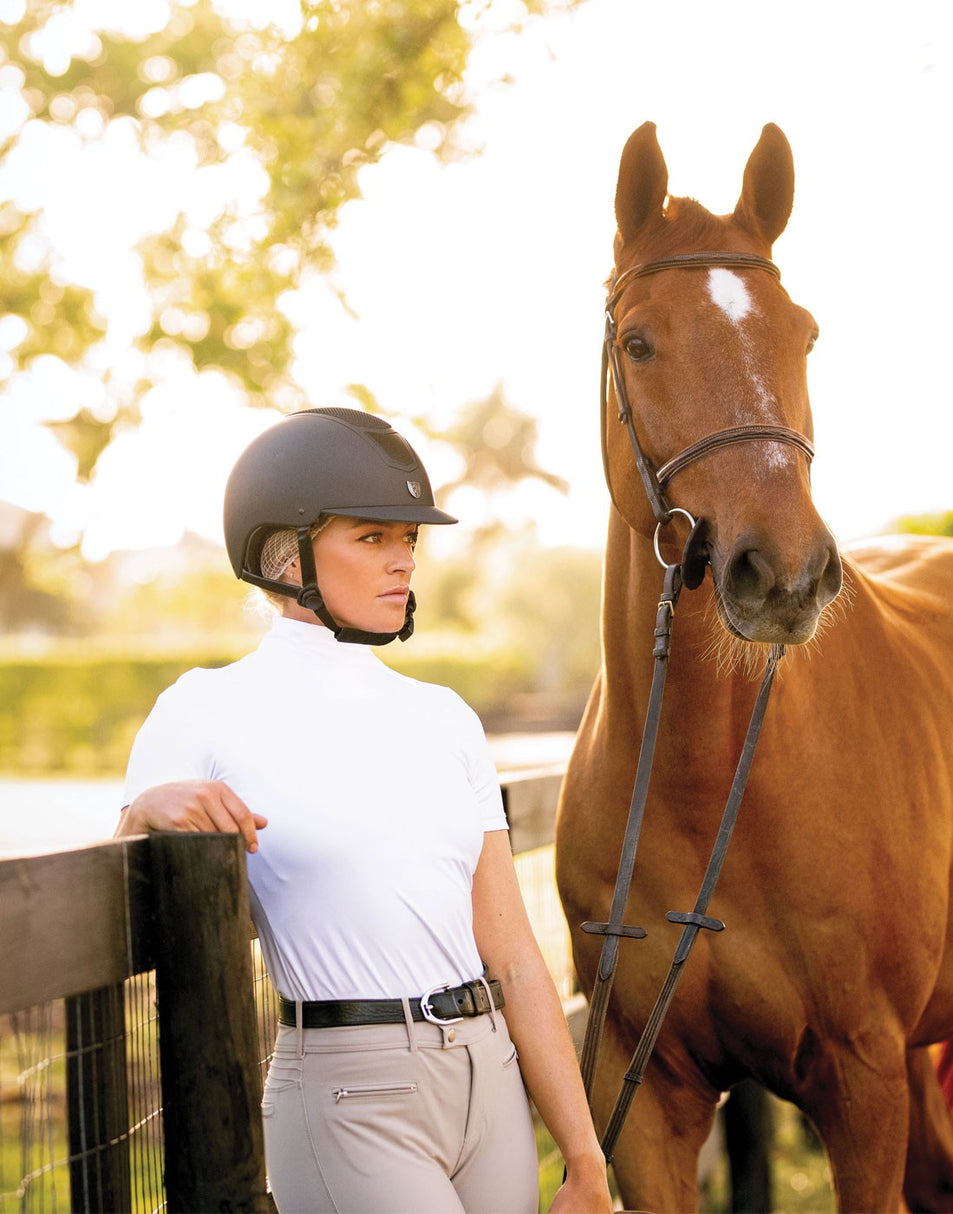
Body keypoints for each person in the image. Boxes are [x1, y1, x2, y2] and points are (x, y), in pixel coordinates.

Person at [116, 407, 611, 1214]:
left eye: (409, 540)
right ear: (287, 551)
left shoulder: (447, 716)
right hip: (352, 1092)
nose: (404, 562)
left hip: (489, 1078)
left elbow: (516, 957)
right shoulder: (204, 707)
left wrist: (586, 1159)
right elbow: (127, 848)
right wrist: (148, 807)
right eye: (372, 538)